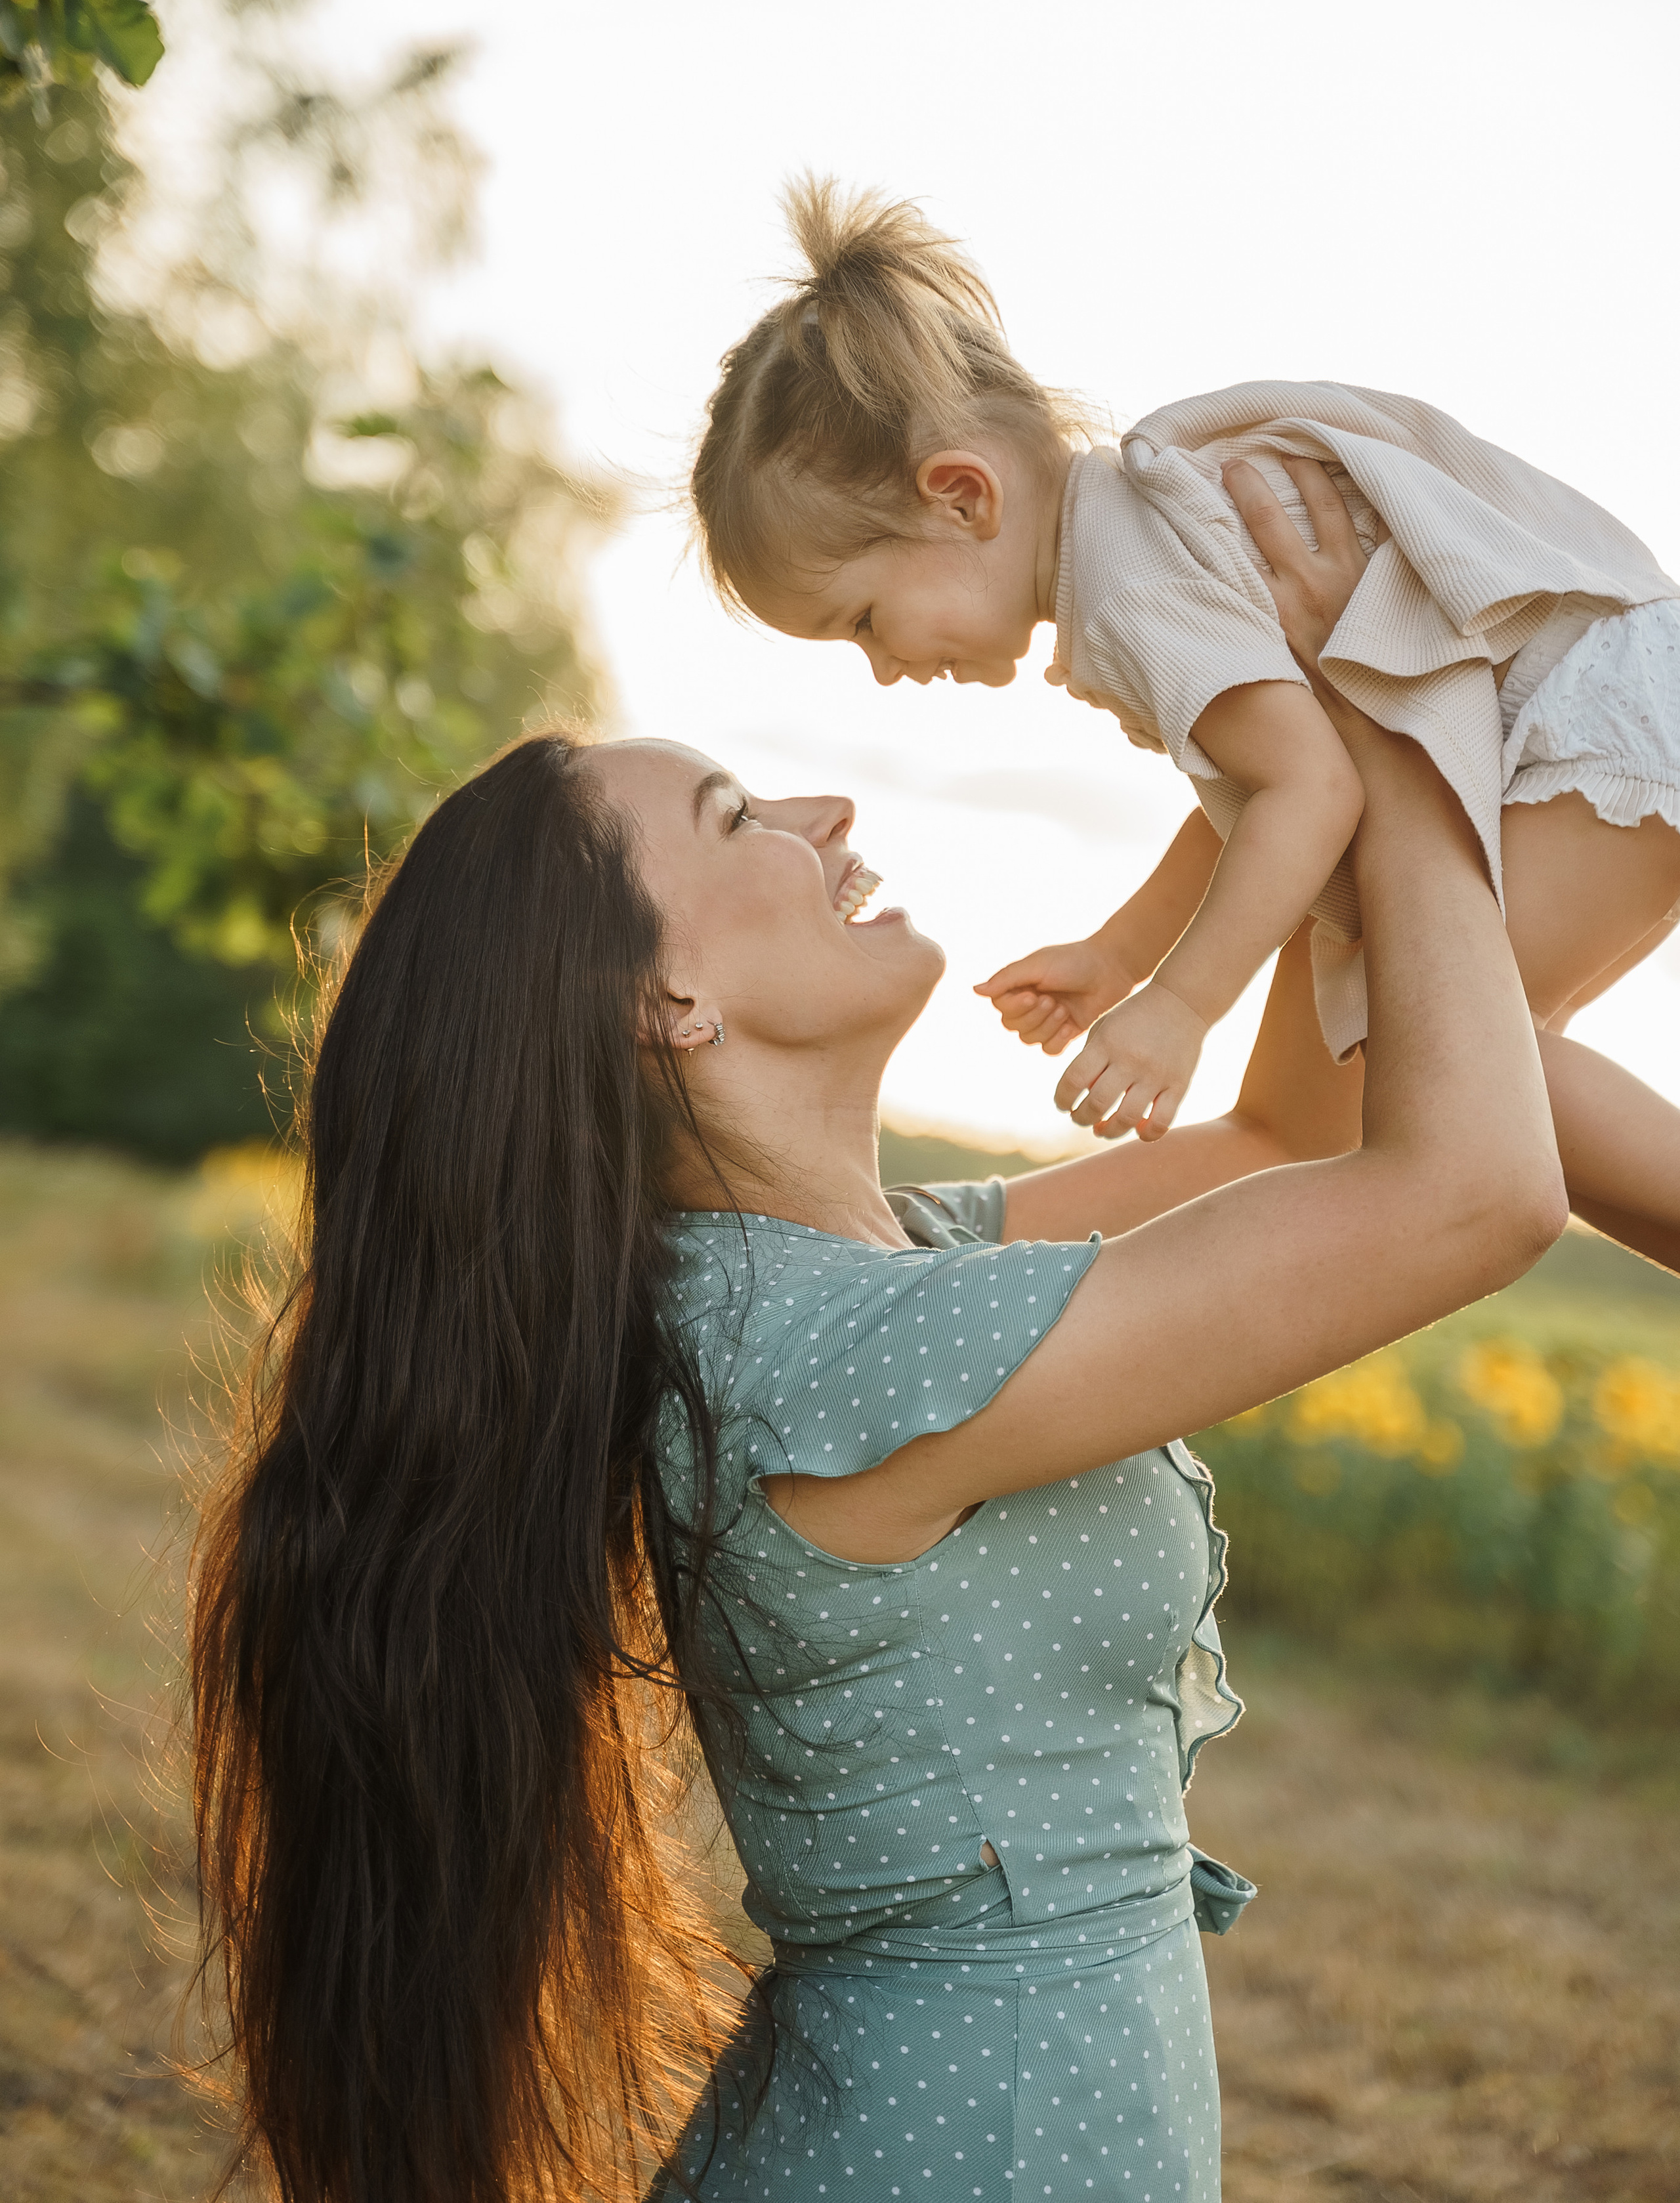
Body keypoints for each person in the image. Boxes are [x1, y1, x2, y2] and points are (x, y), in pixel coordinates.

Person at [189, 484, 1564, 2203]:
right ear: (665, 1005)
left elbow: (1290, 1128)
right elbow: (1473, 1194)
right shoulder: (834, 1360)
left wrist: (1283, 733)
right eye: (737, 813)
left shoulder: (866, 1274)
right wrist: (1396, 703)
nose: (825, 803)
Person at [687, 181, 1680, 1273]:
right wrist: (1122, 950)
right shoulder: (1133, 540)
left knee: (1445, 1049)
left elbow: (1313, 794)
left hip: (1596, 715)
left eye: (865, 620)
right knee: (1465, 1070)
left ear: (964, 498)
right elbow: (1261, 784)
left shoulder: (1126, 590)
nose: (883, 668)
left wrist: (1179, 1006)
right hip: (1616, 698)